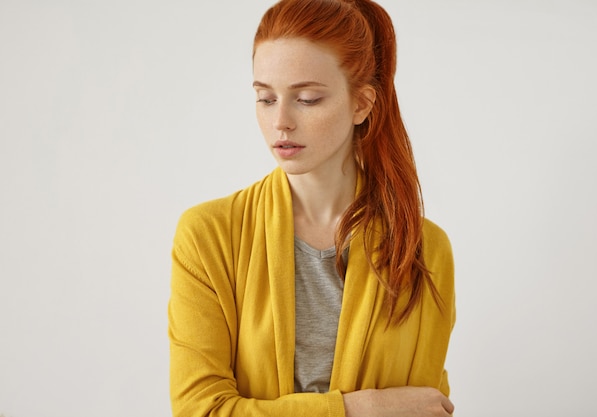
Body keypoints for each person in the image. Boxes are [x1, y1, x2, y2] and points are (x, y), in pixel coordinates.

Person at [168, 0, 456, 416]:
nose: (280, 121)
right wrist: (362, 408)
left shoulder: (424, 248)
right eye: (265, 99)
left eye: (306, 99)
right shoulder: (209, 236)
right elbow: (202, 411)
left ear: (362, 104)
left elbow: (426, 407)